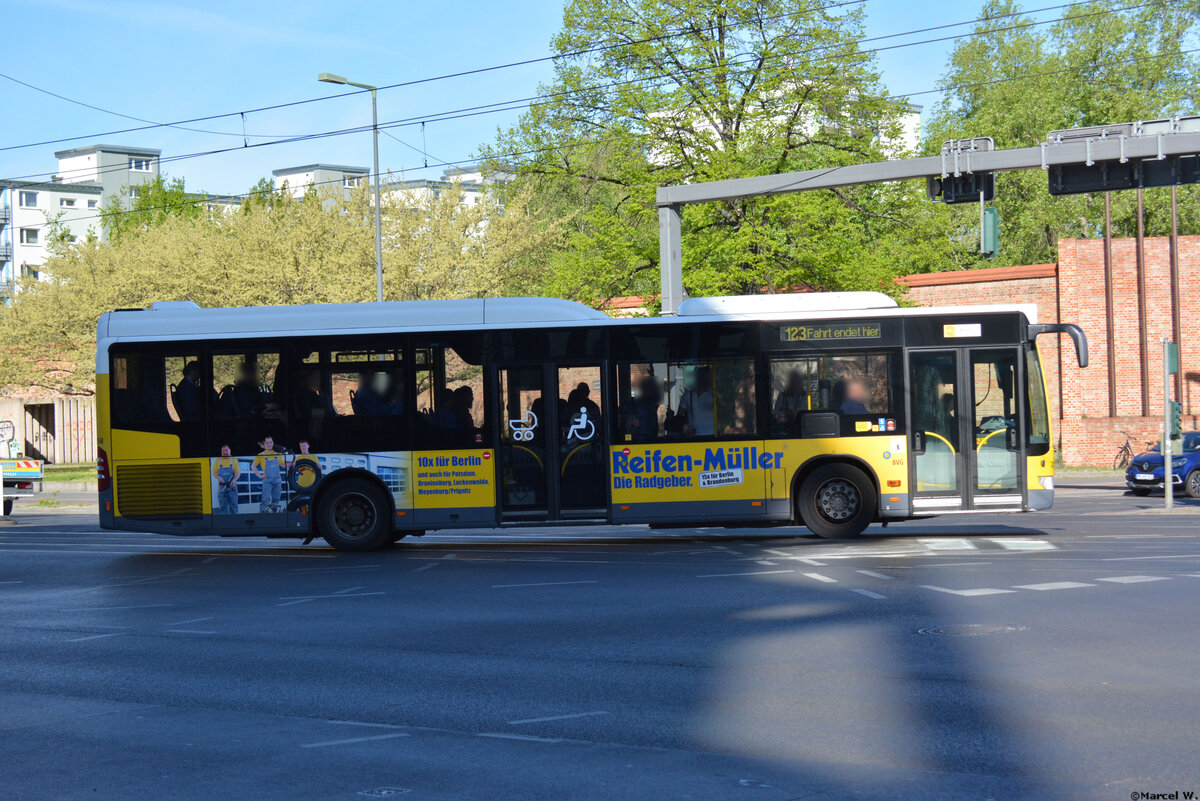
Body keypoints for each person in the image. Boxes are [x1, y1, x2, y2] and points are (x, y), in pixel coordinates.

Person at [251, 435, 286, 513]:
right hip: (267, 481)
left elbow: (283, 465)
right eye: (267, 443)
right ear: (265, 444)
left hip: (277, 481)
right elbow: (253, 466)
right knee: (265, 500)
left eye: (270, 442)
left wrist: (291, 463)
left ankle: (274, 516)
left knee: (276, 500)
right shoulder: (261, 455)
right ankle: (263, 517)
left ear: (273, 443)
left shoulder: (277, 454)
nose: (269, 444)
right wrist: (259, 475)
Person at [678, 366, 716, 437]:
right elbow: (680, 415)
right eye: (705, 377)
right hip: (693, 435)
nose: (709, 380)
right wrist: (686, 427)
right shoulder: (688, 394)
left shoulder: (713, 394)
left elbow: (724, 406)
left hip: (712, 435)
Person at [212, 444, 240, 514]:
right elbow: (214, 472)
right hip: (222, 487)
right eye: (223, 451)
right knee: (222, 507)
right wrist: (218, 477)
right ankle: (224, 523)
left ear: (230, 450)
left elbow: (238, 472)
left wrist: (234, 480)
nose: (225, 452)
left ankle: (234, 522)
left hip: (232, 486)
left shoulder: (234, 459)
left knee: (234, 506)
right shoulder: (218, 460)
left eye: (226, 450)